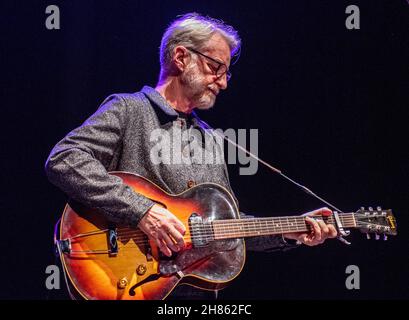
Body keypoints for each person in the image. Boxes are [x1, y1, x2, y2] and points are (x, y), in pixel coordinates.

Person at [45, 13, 337, 299]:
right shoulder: (129, 109)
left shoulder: (210, 138)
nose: (223, 83)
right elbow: (66, 158)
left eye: (226, 73)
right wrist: (142, 211)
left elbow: (225, 224)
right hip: (127, 280)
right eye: (215, 67)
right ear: (181, 57)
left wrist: (291, 231)